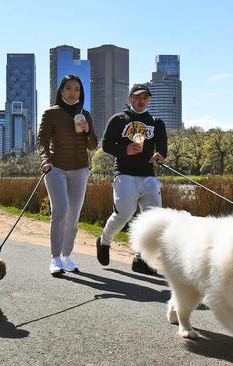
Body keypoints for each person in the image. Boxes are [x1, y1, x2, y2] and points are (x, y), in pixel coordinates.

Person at [95, 83, 167, 276]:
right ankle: (104, 240)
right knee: (124, 214)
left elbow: (162, 147)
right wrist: (124, 150)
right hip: (125, 174)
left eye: (145, 97)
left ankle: (141, 259)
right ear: (130, 99)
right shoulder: (118, 119)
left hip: (148, 176)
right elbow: (106, 145)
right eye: (138, 97)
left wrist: (159, 155)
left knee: (153, 220)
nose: (142, 100)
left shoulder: (156, 122)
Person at [37, 75, 98, 277]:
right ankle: (55, 258)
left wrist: (87, 130)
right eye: (69, 88)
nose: (73, 93)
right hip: (56, 168)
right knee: (61, 210)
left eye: (77, 90)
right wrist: (45, 160)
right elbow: (42, 141)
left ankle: (66, 255)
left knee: (73, 216)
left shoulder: (85, 114)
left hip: (80, 169)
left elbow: (92, 146)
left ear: (81, 93)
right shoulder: (51, 114)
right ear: (61, 91)